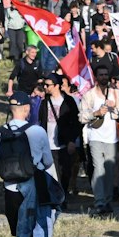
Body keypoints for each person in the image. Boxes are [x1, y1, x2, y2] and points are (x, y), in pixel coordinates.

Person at [0, 92, 57, 237]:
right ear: (27, 108)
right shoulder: (37, 131)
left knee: (19, 228)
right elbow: (48, 161)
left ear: (11, 109)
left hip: (10, 188)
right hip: (33, 185)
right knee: (37, 223)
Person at [81, 67, 119, 215]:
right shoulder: (89, 95)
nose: (104, 77)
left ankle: (107, 201)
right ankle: (99, 201)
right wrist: (95, 113)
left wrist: (114, 107)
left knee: (109, 170)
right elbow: (81, 116)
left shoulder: (115, 93)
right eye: (101, 75)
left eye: (106, 74)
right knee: (98, 168)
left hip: (111, 138)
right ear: (96, 77)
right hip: (95, 137)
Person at [34, 74, 83, 202]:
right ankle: (56, 198)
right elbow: (39, 120)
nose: (45, 87)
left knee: (65, 172)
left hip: (64, 143)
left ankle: (63, 194)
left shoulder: (68, 101)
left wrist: (72, 140)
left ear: (56, 86)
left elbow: (77, 122)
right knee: (51, 173)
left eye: (48, 85)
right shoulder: (44, 102)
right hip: (47, 143)